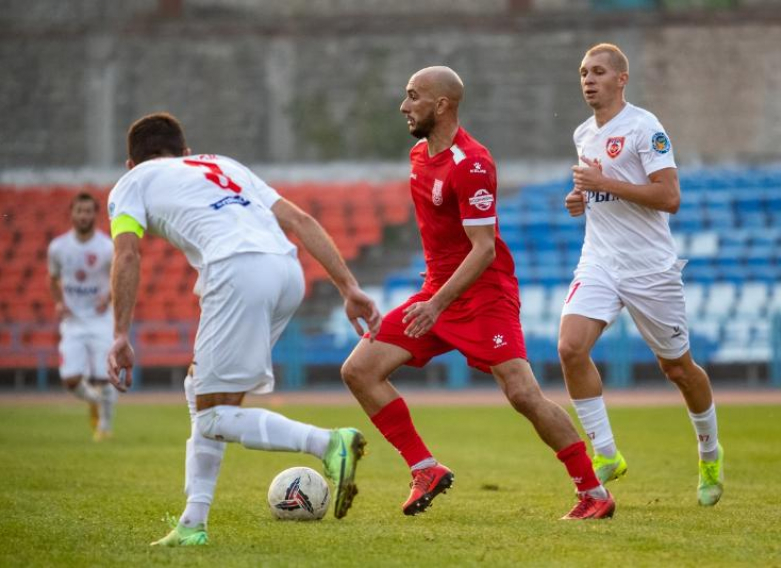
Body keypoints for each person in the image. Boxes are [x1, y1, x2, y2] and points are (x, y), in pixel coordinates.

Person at [341, 66, 615, 521]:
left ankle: (593, 492)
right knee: (359, 370)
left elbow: (484, 250)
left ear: (442, 105)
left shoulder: (472, 164)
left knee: (523, 394)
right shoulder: (418, 155)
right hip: (436, 294)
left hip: (482, 295)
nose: (404, 106)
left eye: (413, 96)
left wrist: (436, 304)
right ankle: (424, 468)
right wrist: (433, 300)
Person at [106, 113, 382, 546]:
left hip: (236, 271)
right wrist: (349, 287)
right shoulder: (224, 164)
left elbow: (126, 256)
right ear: (186, 153)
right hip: (286, 271)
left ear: (130, 163)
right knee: (204, 394)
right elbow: (301, 221)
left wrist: (120, 333)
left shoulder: (132, 182)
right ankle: (192, 524)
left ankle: (329, 443)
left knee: (213, 413)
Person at [559, 43, 724, 506]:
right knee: (570, 348)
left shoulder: (644, 127)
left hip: (649, 267)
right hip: (600, 260)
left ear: (621, 79)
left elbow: (669, 197)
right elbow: (592, 194)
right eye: (583, 72)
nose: (588, 80)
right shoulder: (582, 133)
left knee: (677, 368)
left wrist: (601, 185)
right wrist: (580, 200)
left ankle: (709, 453)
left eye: (598, 72)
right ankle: (607, 453)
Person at [47, 192, 118, 442]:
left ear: (95, 215)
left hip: (101, 321)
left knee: (104, 376)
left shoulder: (107, 247)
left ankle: (105, 427)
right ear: (72, 214)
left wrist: (107, 297)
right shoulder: (58, 247)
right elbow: (53, 277)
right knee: (70, 380)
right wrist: (58, 302)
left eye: (88, 211)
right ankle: (96, 401)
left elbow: (118, 278)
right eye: (80, 211)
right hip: (73, 322)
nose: (84, 215)